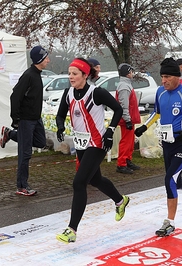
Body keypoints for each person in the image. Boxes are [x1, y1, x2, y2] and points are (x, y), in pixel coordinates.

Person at [55, 58, 129, 243]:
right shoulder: (68, 93)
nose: (70, 77)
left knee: (79, 183)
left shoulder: (97, 93)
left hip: (98, 143)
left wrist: (110, 131)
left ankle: (72, 230)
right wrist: (60, 127)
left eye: (74, 73)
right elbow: (60, 115)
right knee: (95, 179)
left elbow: (118, 109)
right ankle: (120, 201)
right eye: (69, 73)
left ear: (85, 75)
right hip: (81, 143)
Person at [134, 58, 182, 237]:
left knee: (169, 180)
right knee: (175, 180)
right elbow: (157, 112)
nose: (163, 81)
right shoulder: (160, 92)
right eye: (162, 77)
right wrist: (145, 126)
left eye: (167, 76)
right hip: (167, 144)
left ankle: (170, 222)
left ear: (177, 77)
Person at [0, 45, 50, 196]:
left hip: (36, 119)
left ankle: (11, 134)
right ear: (39, 59)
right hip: (26, 121)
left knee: (41, 142)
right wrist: (16, 119)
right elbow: (15, 96)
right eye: (46, 57)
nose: (48, 60)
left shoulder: (37, 74)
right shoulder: (28, 75)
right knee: (25, 153)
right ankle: (22, 186)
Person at [115, 63, 141, 174]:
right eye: (131, 72)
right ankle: (121, 164)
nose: (132, 74)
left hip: (129, 118)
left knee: (130, 141)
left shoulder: (126, 85)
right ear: (128, 73)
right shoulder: (124, 86)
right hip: (127, 119)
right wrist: (127, 119)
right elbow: (123, 105)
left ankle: (127, 159)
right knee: (126, 141)